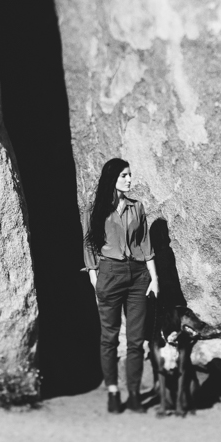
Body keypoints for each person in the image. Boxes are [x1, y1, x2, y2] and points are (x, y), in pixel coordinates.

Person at [83, 157, 158, 413]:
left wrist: (154, 278)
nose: (129, 179)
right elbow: (89, 244)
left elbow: (146, 243)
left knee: (136, 340)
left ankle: (134, 393)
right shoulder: (95, 209)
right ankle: (114, 392)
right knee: (109, 338)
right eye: (124, 175)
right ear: (112, 178)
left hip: (138, 275)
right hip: (110, 273)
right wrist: (95, 277)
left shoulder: (137, 207)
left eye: (130, 175)